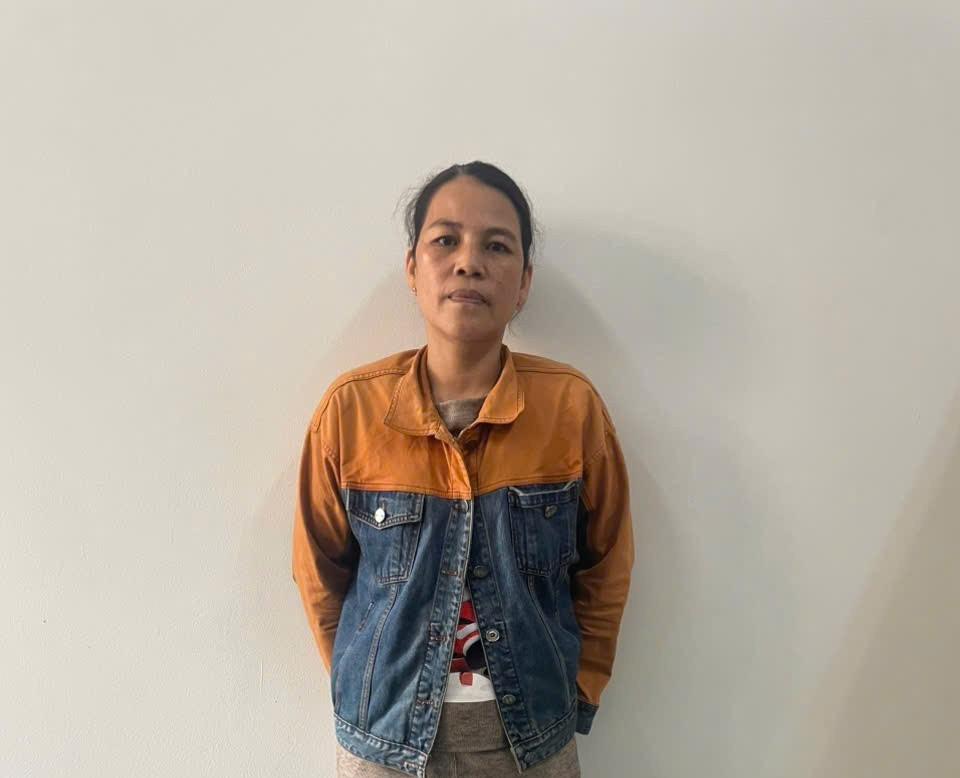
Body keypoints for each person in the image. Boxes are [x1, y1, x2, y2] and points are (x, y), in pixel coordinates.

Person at [292, 161, 634, 777]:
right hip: (382, 745)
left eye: (496, 246)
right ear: (411, 268)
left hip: (534, 739)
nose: (468, 262)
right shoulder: (351, 411)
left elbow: (606, 564)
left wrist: (580, 687)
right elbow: (319, 570)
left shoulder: (570, 408)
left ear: (524, 282)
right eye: (445, 240)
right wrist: (362, 685)